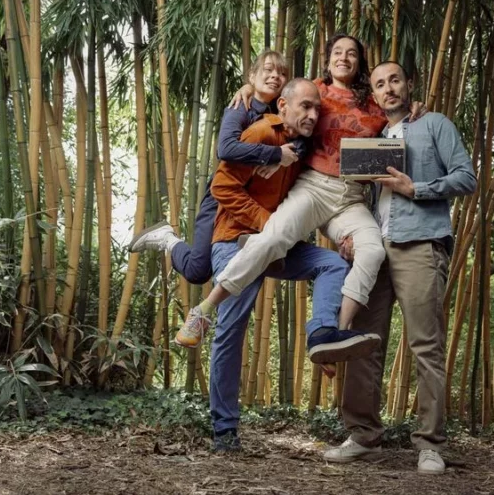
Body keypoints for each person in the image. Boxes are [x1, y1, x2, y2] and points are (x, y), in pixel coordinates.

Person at [170, 34, 423, 350]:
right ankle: (205, 309)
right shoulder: (315, 89)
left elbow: (396, 115)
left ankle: (334, 334)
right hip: (314, 187)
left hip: (351, 198)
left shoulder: (372, 101)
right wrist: (250, 89)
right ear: (328, 57)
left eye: (352, 54)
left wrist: (414, 106)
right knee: (274, 238)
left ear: (361, 62)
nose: (344, 57)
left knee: (373, 252)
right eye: (338, 52)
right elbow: (281, 103)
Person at [203, 78, 379, 451]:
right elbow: (221, 186)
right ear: (283, 106)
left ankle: (323, 334)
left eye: (318, 109)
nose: (313, 115)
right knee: (231, 330)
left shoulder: (305, 144)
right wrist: (267, 224)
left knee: (332, 264)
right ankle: (224, 430)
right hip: (236, 239)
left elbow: (322, 198)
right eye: (305, 107)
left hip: (278, 246)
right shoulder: (262, 132)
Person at [323, 61, 477, 474]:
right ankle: (362, 436)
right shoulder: (368, 134)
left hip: (420, 244)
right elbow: (346, 195)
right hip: (373, 247)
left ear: (409, 84)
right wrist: (347, 235)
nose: (388, 89)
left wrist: (417, 188)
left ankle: (429, 444)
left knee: (426, 345)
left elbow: (466, 177)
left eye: (395, 80)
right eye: (379, 84)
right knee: (362, 342)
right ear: (372, 94)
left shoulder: (435, 124)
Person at [129, 50, 305, 286]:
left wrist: (289, 155)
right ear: (252, 76)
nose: (276, 76)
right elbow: (226, 149)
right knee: (198, 271)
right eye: (269, 69)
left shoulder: (282, 110)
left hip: (252, 202)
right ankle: (167, 238)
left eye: (282, 73)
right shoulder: (239, 107)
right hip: (222, 195)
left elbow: (306, 135)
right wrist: (274, 155)